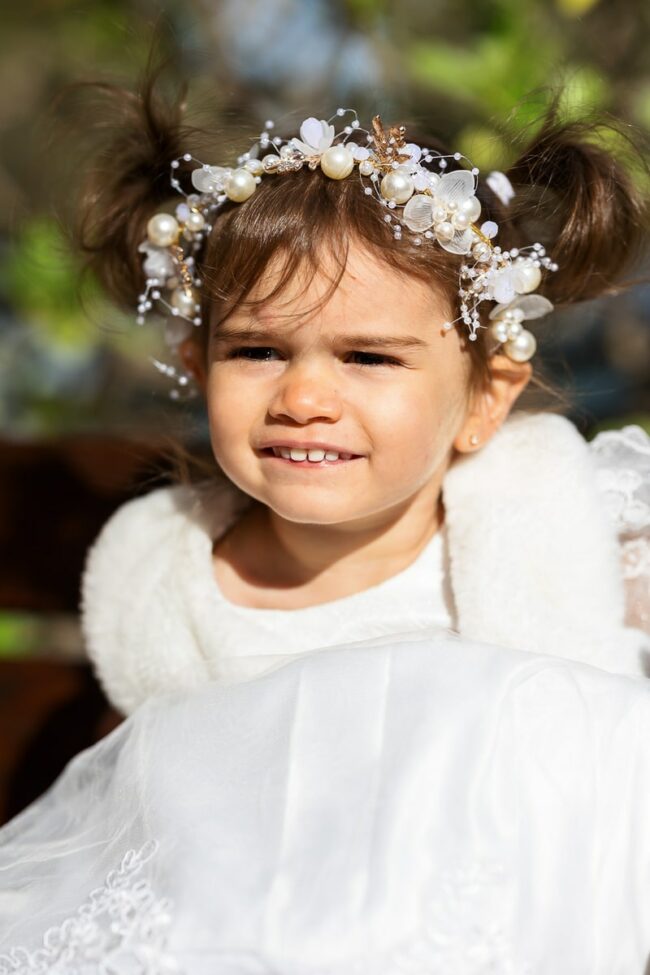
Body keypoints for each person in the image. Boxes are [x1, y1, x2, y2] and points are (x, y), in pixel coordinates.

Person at [1, 74, 649, 973]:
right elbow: (132, 809)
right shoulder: (170, 577)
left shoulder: (547, 532)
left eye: (368, 356)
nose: (304, 397)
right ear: (199, 362)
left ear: (485, 398)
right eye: (259, 350)